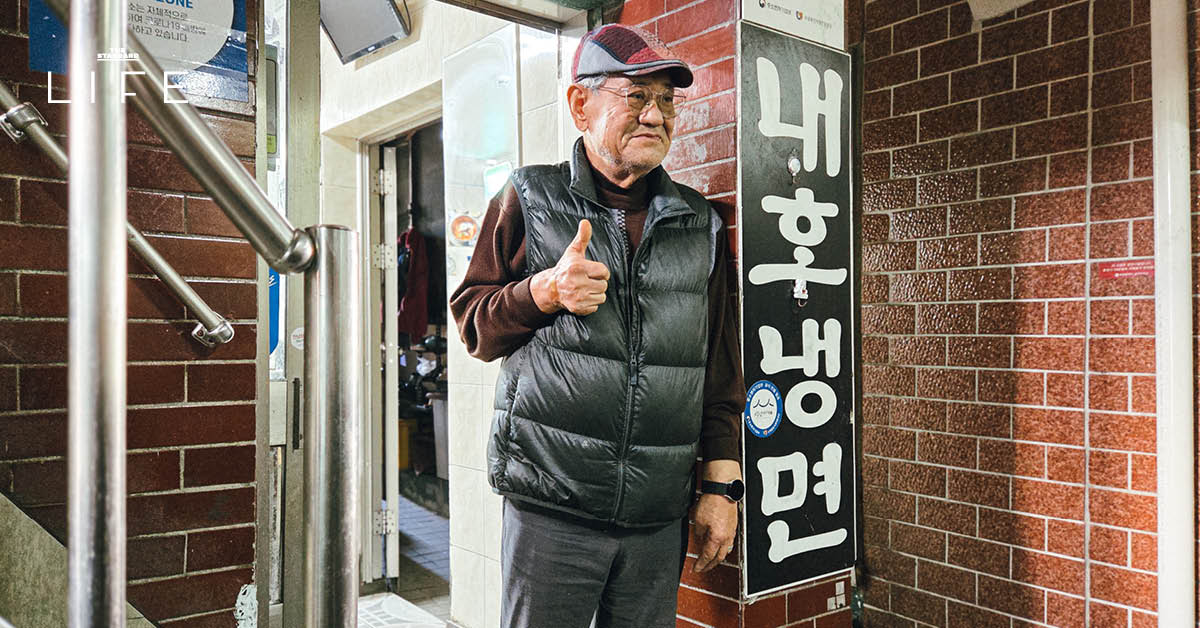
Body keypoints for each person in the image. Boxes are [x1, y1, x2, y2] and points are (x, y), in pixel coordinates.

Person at [450, 23, 746, 628]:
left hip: (656, 516)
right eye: (636, 96)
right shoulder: (530, 197)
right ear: (580, 104)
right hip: (551, 507)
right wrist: (543, 292)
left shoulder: (701, 224)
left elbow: (718, 374)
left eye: (666, 100)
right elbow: (473, 323)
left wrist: (721, 489)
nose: (656, 115)